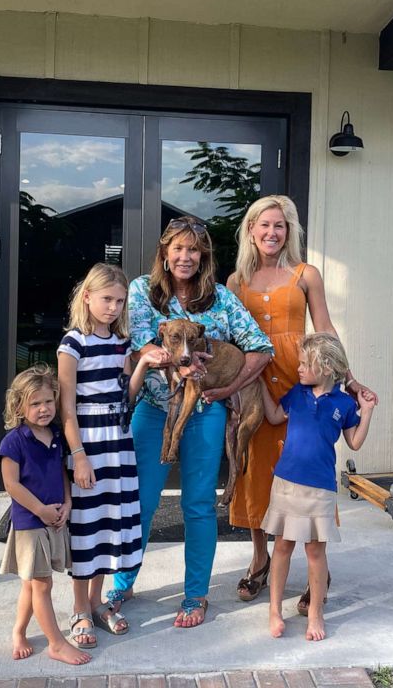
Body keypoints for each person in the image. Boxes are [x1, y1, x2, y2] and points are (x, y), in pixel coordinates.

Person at [107, 216, 274, 628]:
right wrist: (178, 365)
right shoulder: (142, 292)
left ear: (203, 257)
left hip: (205, 413)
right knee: (140, 502)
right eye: (178, 249)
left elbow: (260, 347)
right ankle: (122, 582)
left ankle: (195, 595)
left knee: (198, 504)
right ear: (165, 253)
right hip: (154, 408)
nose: (186, 257)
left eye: (194, 250)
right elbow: (140, 342)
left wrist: (225, 387)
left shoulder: (219, 298)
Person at [226, 195, 378, 611]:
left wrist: (348, 377)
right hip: (255, 380)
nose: (272, 233)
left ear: (289, 231)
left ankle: (318, 568)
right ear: (251, 230)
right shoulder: (237, 280)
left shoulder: (305, 273)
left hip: (300, 375)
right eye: (264, 225)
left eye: (280, 225)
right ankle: (260, 558)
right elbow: (228, 336)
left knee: (305, 468)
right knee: (256, 468)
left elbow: (325, 328)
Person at [57, 263, 162, 648]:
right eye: (106, 299)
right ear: (87, 297)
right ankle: (80, 608)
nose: (113, 307)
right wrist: (78, 456)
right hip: (88, 442)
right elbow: (66, 408)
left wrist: (143, 364)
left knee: (107, 526)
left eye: (119, 301)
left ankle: (99, 603)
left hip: (119, 443)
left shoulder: (122, 344)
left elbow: (127, 396)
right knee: (86, 529)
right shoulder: (73, 344)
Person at [259, 333, 375, 641]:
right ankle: (274, 611)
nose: (298, 368)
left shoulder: (344, 404)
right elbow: (273, 417)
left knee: (315, 551)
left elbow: (355, 441)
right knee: (282, 545)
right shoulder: (297, 394)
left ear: (325, 367)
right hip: (286, 482)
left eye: (304, 364)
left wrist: (368, 412)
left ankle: (315, 614)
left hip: (320, 488)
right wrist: (255, 379)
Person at [0, 364, 91, 665]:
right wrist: (39, 509)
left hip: (54, 519)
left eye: (49, 401)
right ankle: (56, 644)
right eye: (35, 403)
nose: (44, 408)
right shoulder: (14, 441)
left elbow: (61, 474)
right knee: (42, 584)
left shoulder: (55, 436)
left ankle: (19, 632)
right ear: (19, 406)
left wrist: (67, 503)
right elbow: (11, 484)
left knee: (31, 583)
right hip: (30, 523)